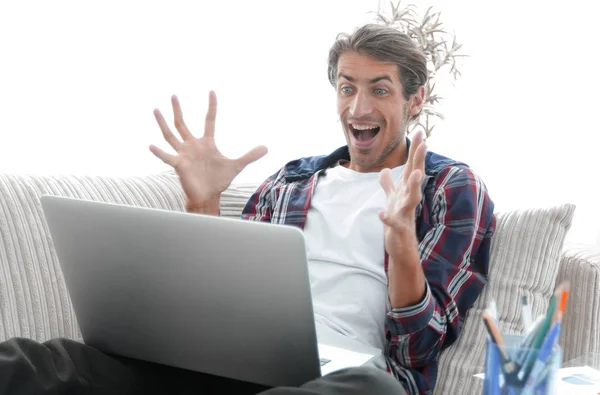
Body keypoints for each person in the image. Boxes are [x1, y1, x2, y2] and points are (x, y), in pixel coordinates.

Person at [0, 24, 495, 395]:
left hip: (345, 378)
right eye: (347, 87)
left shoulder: (447, 186)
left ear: (416, 99)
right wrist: (203, 203)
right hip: (229, 364)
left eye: (379, 89)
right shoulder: (291, 180)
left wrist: (401, 242)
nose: (358, 108)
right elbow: (216, 300)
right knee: (36, 362)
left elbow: (418, 348)